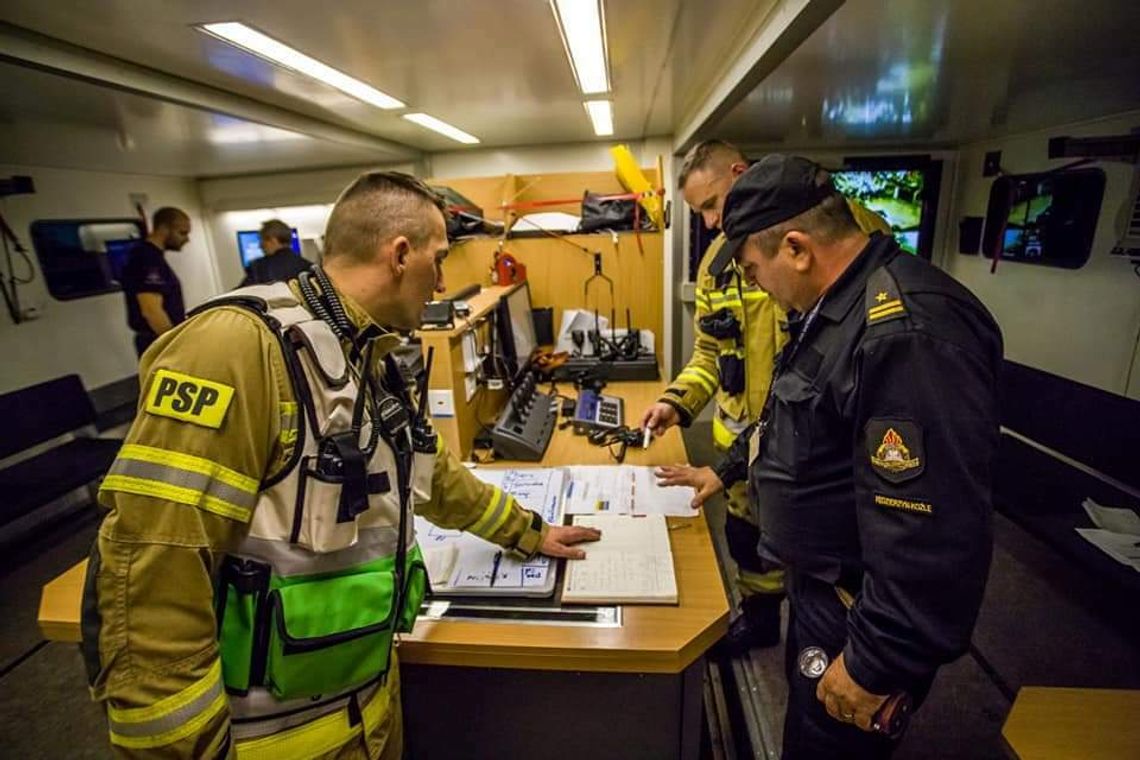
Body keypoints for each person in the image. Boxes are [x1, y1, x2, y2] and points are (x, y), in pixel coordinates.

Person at [81, 171, 601, 759]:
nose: (442, 281)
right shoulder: (234, 349)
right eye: (439, 259)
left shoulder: (366, 351)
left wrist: (529, 532)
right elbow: (153, 570)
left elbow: (430, 474)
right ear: (400, 254)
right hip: (274, 740)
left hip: (367, 712)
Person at [711, 155, 1002, 758]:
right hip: (823, 590)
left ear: (795, 248)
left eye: (753, 271)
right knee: (807, 734)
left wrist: (874, 663)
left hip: (860, 615)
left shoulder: (905, 331)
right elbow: (792, 421)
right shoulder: (836, 310)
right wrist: (722, 470)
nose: (757, 286)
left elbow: (928, 526)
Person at [644, 140, 891, 654]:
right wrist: (676, 401)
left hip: (813, 448)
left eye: (711, 205)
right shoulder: (717, 264)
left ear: (740, 173)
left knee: (815, 562)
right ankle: (758, 625)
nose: (711, 222)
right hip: (740, 448)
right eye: (702, 214)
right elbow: (709, 355)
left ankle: (831, 651)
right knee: (747, 543)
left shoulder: (851, 234)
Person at [121, 206, 191, 356]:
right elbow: (151, 310)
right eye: (182, 233)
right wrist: (174, 345)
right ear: (164, 229)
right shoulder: (146, 258)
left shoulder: (153, 257)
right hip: (156, 341)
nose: (186, 239)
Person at [238, 218, 312, 287]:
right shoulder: (308, 266)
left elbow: (240, 295)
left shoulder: (258, 268)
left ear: (273, 240)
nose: (260, 246)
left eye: (262, 240)